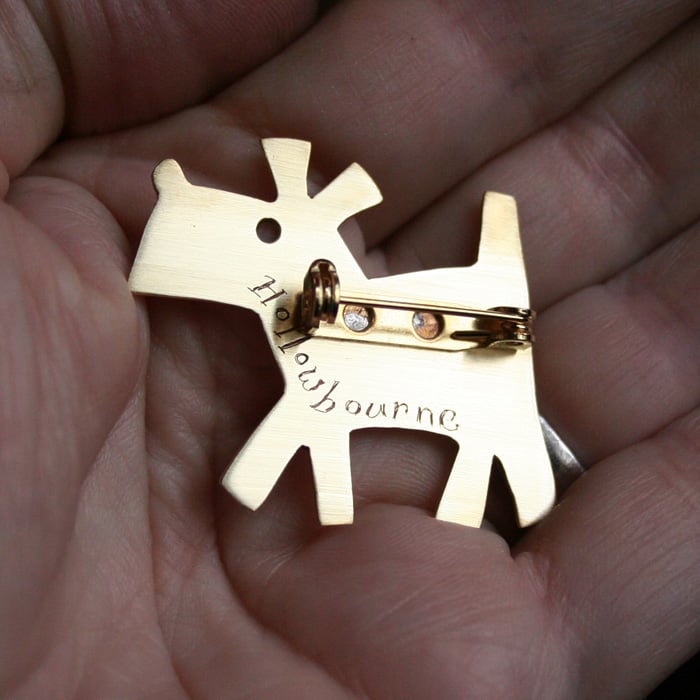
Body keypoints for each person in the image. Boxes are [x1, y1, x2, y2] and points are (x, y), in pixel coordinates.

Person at [1, 2, 698, 697]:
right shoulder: (294, 316)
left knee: (444, 426)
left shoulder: (327, 315)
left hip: (461, 337)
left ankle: (451, 480)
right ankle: (361, 489)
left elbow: (318, 401)